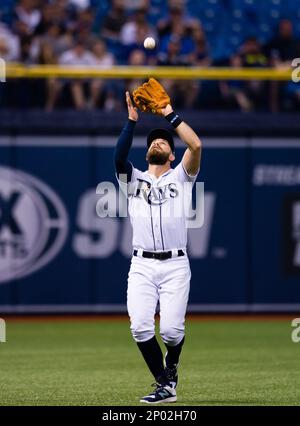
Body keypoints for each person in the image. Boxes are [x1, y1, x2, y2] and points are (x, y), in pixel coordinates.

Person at [114, 84, 202, 403]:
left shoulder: (182, 177)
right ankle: (165, 383)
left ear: (172, 154)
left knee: (172, 333)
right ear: (148, 151)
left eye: (163, 140)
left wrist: (168, 113)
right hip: (142, 265)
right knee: (140, 327)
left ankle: (170, 374)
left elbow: (196, 144)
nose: (158, 143)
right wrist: (132, 121)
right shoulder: (133, 180)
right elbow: (118, 157)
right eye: (153, 142)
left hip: (176, 265)